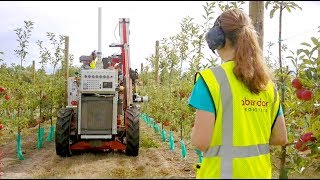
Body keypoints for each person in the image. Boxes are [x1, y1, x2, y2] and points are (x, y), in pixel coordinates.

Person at [188, 9, 287, 179]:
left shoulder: (209, 80)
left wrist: (195, 131)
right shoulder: (267, 84)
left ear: (217, 38)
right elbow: (280, 137)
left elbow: (201, 142)